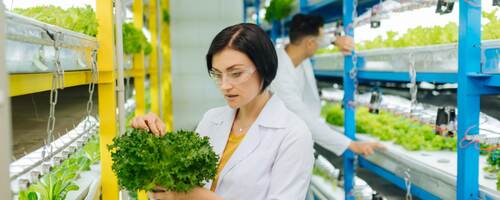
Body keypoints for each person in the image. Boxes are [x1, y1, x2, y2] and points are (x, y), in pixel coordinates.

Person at [131, 23, 314, 200]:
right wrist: (154, 147)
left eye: (236, 73)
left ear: (264, 68)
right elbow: (179, 185)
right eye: (217, 75)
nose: (224, 86)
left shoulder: (293, 135)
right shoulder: (212, 119)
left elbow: (189, 194)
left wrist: (196, 197)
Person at [270, 14, 384, 156]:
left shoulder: (296, 50)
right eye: (319, 39)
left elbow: (317, 39)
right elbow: (305, 120)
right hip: (281, 147)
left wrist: (334, 40)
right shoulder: (278, 75)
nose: (321, 44)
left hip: (296, 138)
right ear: (310, 43)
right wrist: (351, 144)